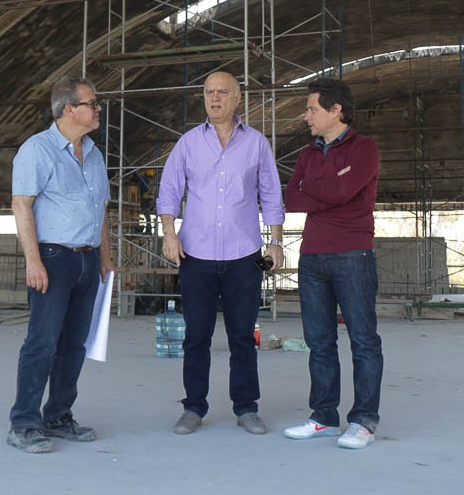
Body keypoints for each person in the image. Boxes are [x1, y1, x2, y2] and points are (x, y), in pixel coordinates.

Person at [156, 70, 285, 436]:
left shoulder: (256, 143)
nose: (214, 98)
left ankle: (246, 407)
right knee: (196, 336)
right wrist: (169, 234)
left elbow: (271, 193)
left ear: (237, 98)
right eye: (209, 92)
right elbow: (169, 191)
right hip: (195, 254)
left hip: (244, 254)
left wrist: (275, 241)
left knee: (242, 336)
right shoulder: (188, 143)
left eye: (222, 92)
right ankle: (193, 407)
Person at [7, 76, 116, 454]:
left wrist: (105, 258)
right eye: (92, 103)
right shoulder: (37, 150)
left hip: (88, 260)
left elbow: (100, 209)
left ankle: (58, 416)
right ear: (69, 110)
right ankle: (23, 423)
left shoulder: (94, 154)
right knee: (42, 342)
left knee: (74, 344)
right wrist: (33, 261)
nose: (98, 109)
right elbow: (21, 205)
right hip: (53, 259)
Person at [282, 78, 384, 450]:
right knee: (319, 342)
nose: (306, 116)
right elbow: (292, 198)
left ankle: (363, 421)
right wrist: (329, 189)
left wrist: (316, 189)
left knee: (363, 340)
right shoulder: (307, 154)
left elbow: (341, 191)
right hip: (311, 257)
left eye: (312, 109)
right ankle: (324, 417)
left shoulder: (365, 148)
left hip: (352, 254)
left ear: (336, 110)